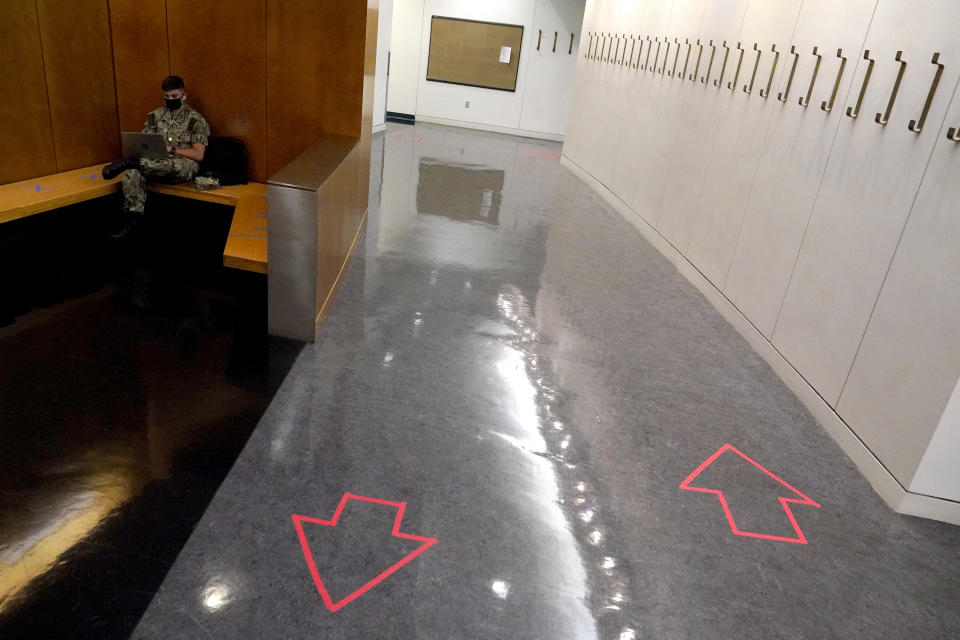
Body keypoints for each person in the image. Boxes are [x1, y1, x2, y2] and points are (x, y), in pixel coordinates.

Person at [111, 75, 211, 238]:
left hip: (184, 165)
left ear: (183, 96)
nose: (170, 100)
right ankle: (132, 220)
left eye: (174, 96)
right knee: (131, 174)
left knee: (174, 165)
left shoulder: (195, 120)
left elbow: (198, 155)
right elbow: (144, 143)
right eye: (166, 96)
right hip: (156, 163)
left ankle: (130, 163)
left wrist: (172, 151)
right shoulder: (155, 116)